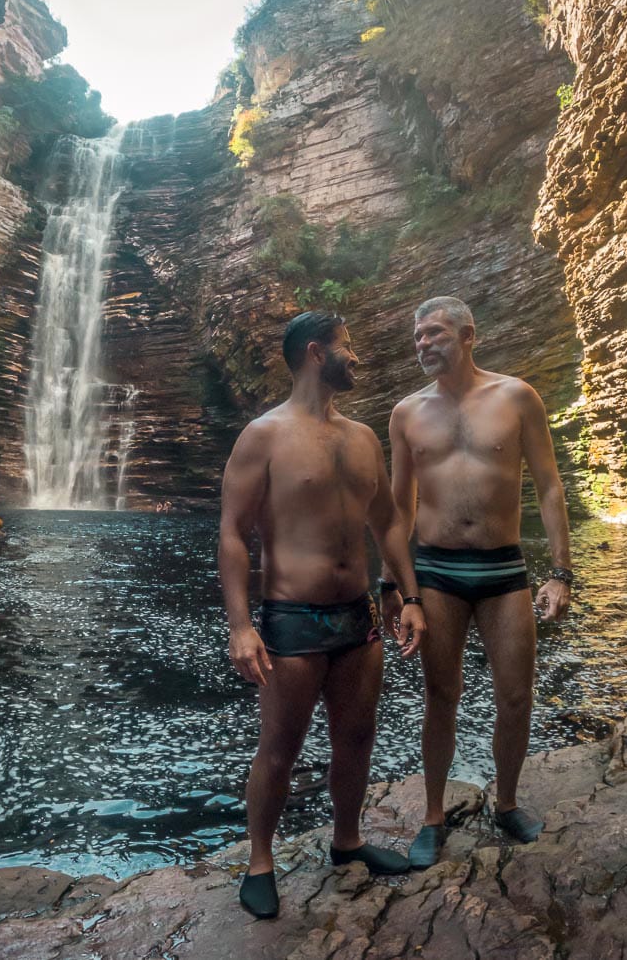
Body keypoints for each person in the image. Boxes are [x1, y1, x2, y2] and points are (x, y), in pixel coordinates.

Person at [219, 311, 426, 920]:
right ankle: (260, 862)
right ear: (315, 354)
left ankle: (348, 842)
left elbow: (387, 521)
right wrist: (239, 625)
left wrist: (407, 594)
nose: (355, 356)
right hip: (292, 616)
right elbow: (232, 533)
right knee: (279, 747)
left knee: (356, 740)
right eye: (347, 345)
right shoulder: (264, 435)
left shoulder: (362, 437)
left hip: (357, 616)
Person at [386, 297, 572, 870]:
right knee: (439, 697)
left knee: (515, 695)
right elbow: (397, 508)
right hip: (437, 571)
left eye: (434, 333)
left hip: (502, 568)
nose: (423, 344)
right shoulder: (406, 413)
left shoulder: (516, 397)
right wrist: (395, 586)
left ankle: (508, 803)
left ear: (468, 334)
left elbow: (549, 487)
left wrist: (561, 573)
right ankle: (433, 816)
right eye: (418, 337)